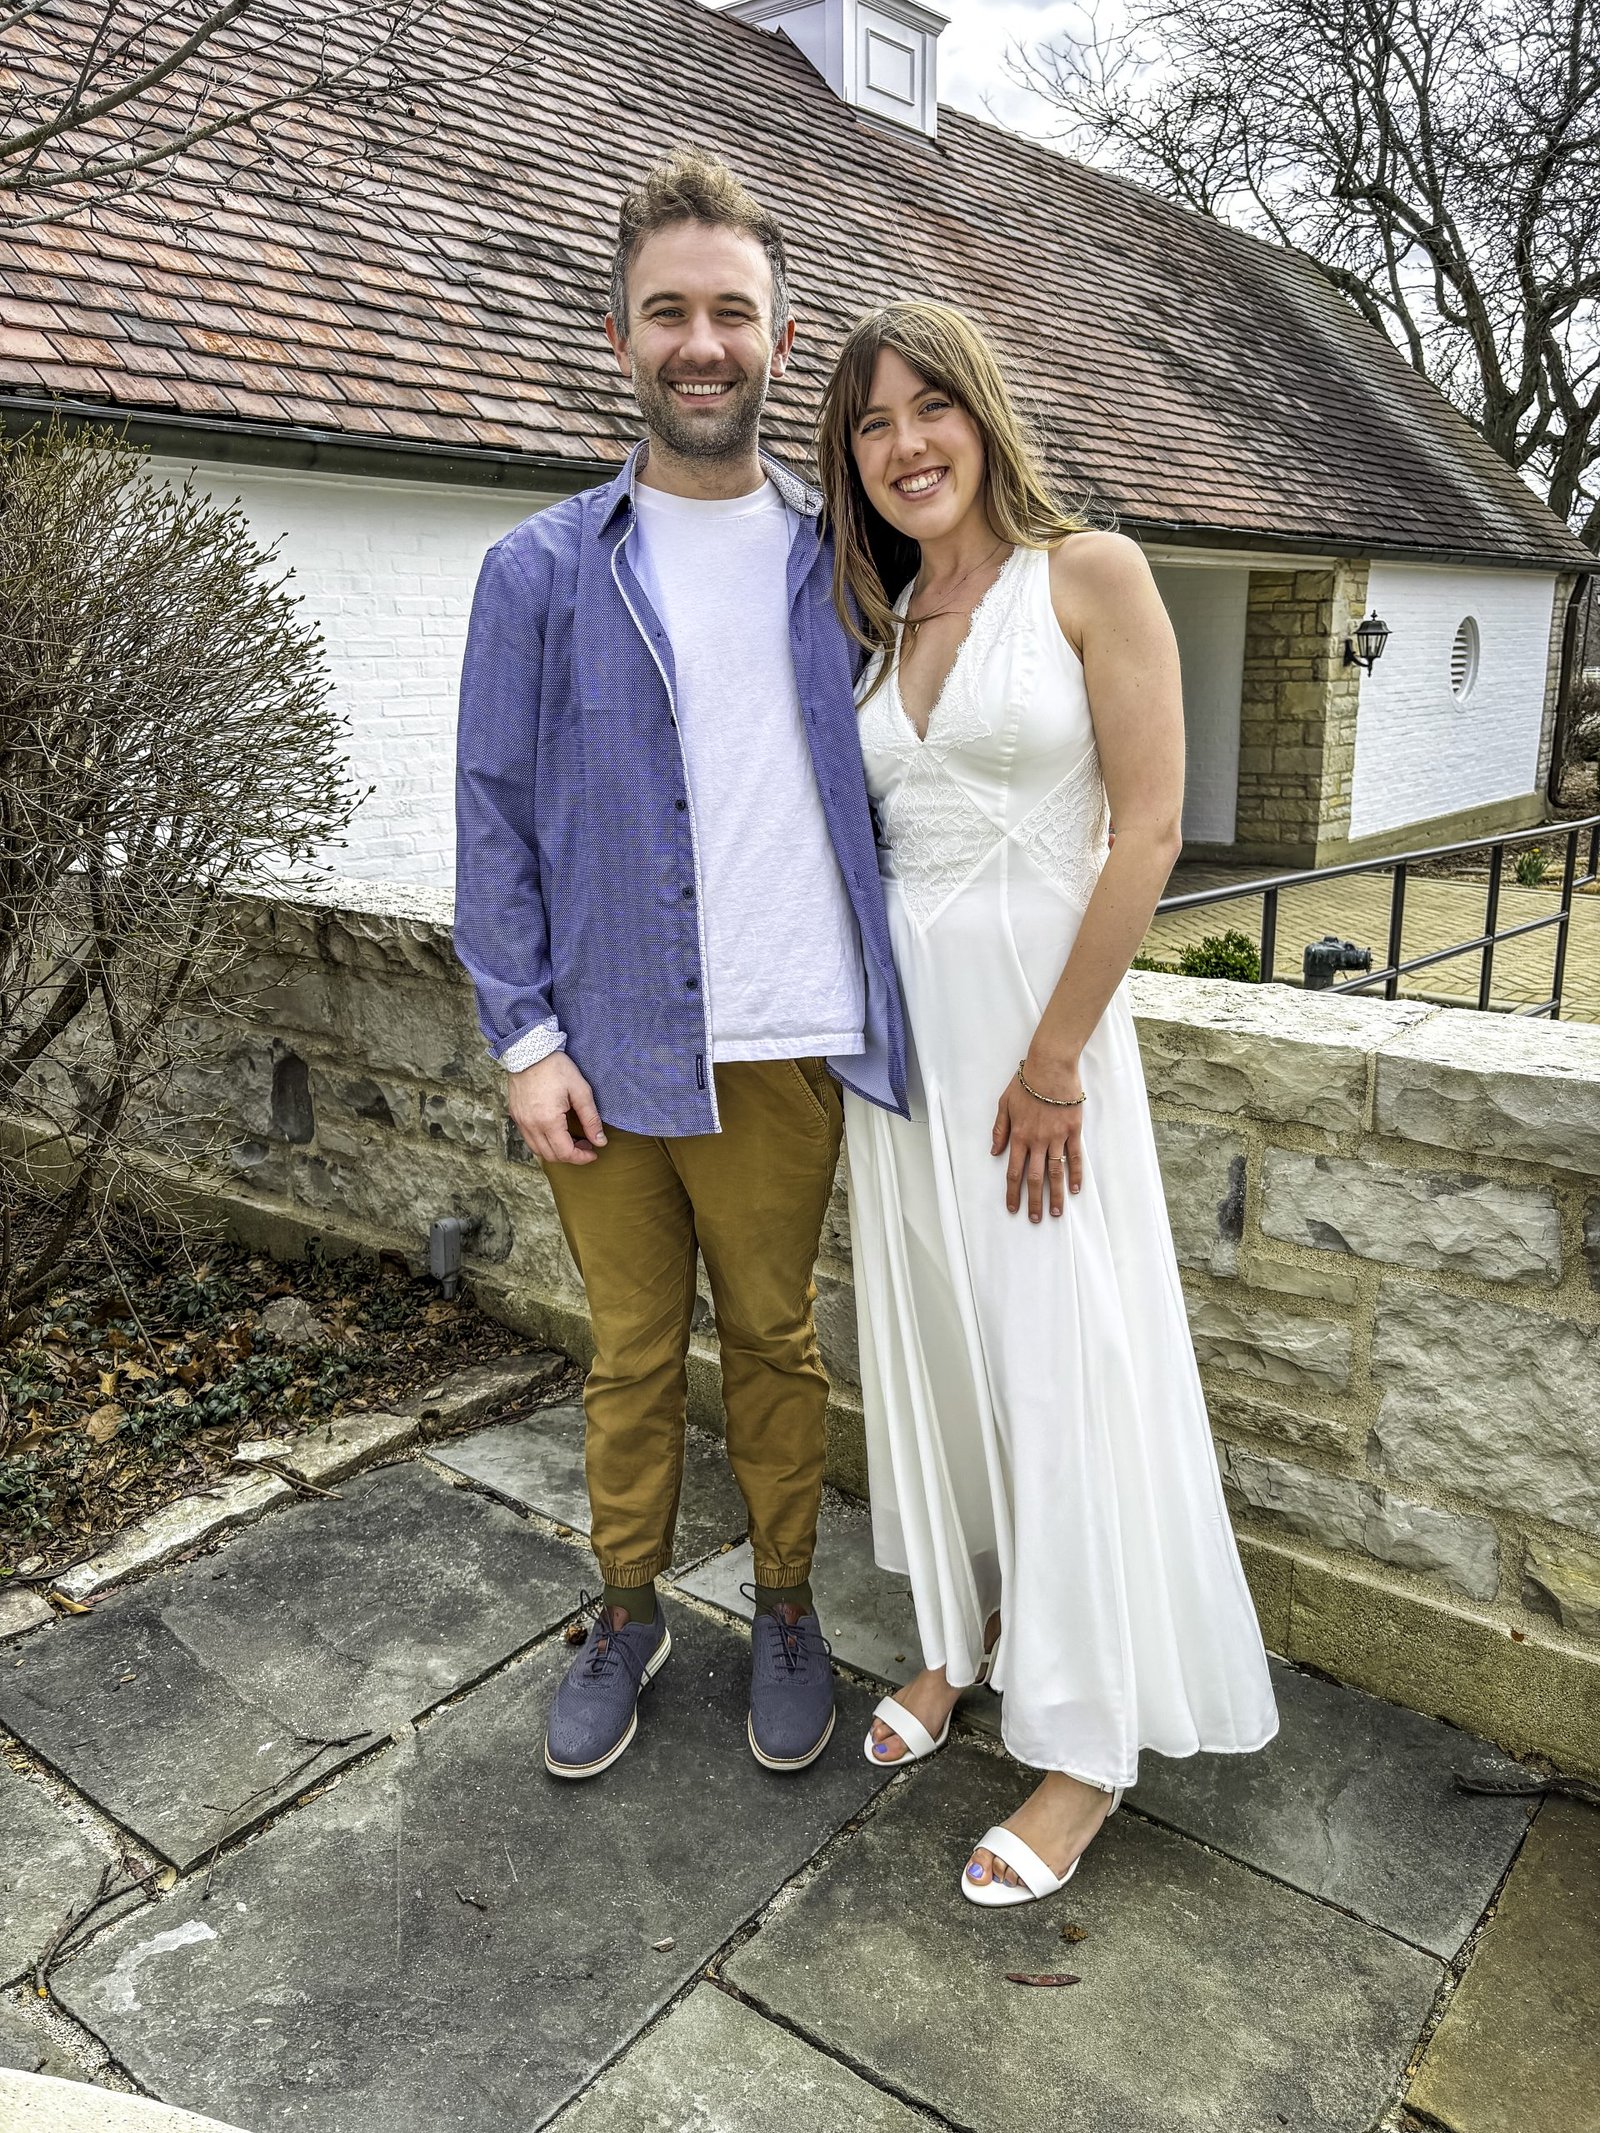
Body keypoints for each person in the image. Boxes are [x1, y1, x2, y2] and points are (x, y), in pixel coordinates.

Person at [815, 302, 1278, 1907]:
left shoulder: (1094, 574)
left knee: (1063, 1361)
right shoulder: (877, 615)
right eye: (873, 423)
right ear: (851, 457)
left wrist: (1057, 1058)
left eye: (930, 407)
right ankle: (960, 1635)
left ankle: (1083, 1748)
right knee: (942, 1358)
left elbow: (1147, 830)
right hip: (910, 1066)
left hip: (1043, 1062)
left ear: (984, 413)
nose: (905, 444)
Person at [453, 152, 907, 1781]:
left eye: (732, 311)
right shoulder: (540, 573)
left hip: (785, 1041)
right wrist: (526, 1040)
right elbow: (493, 822)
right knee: (633, 1352)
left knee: (777, 1343)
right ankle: (627, 1605)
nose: (700, 341)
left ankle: (788, 1598)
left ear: (780, 339)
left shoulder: (852, 563)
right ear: (620, 334)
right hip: (607, 1045)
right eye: (669, 312)